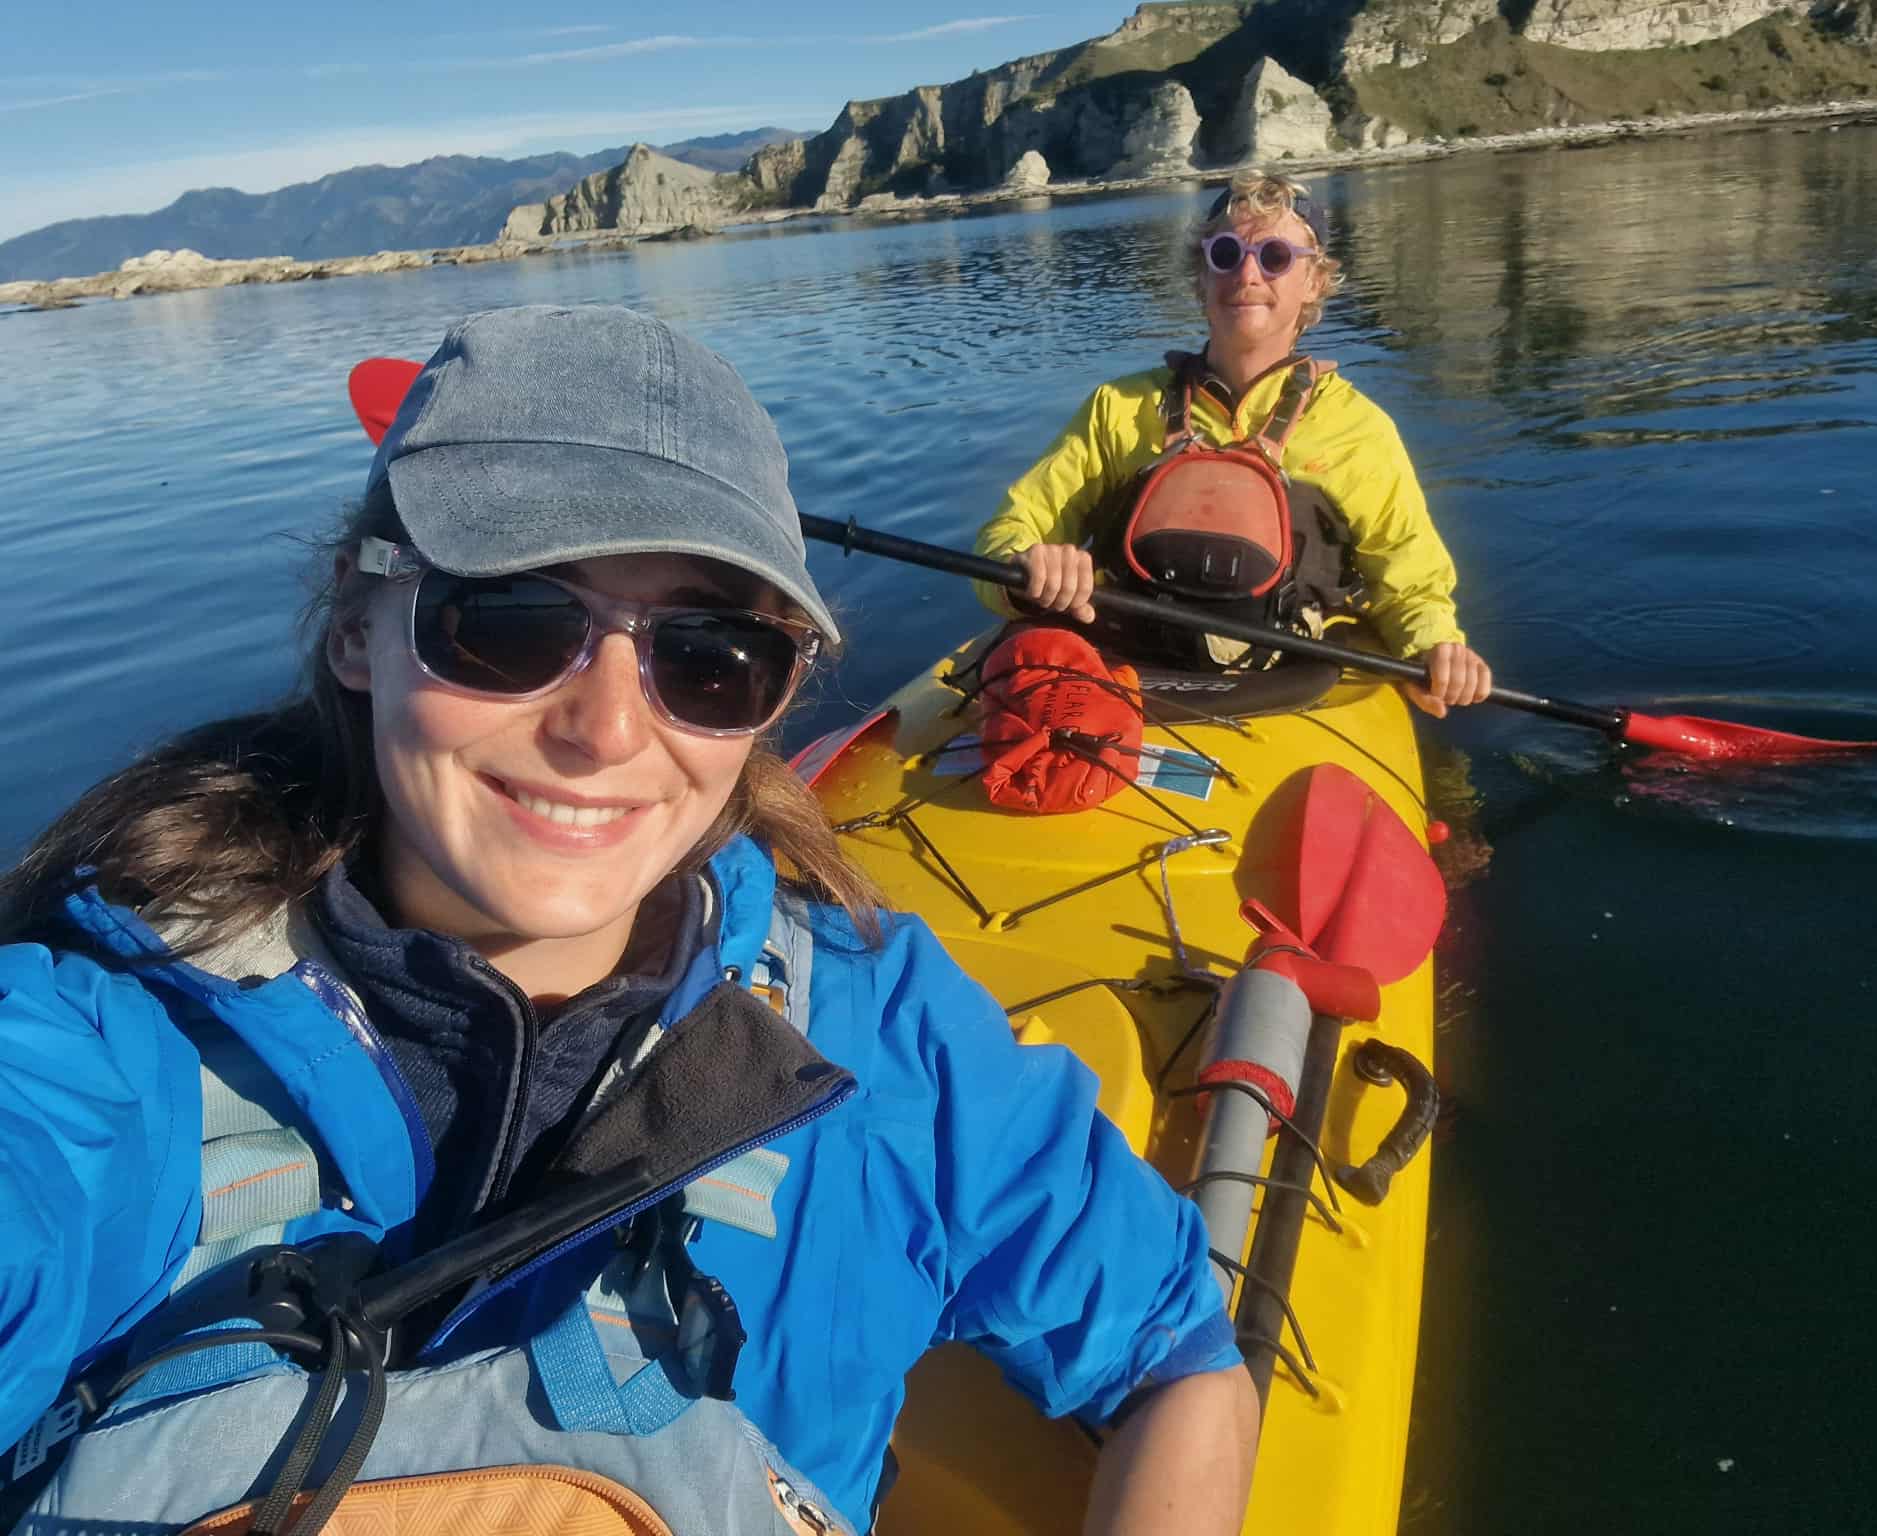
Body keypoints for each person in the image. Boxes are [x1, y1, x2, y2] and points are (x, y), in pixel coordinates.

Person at [0, 305, 1257, 1534]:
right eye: (506, 620)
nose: (604, 730)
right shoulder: (101, 1056)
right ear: (356, 623)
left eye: (710, 659)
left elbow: (1176, 1351)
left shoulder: (885, 1039)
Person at [974, 169, 1493, 717]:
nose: (1247, 274)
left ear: (1314, 282)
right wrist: (1028, 567)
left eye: (1274, 257)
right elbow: (1005, 535)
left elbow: (1409, 576)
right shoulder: (1118, 409)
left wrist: (1434, 645)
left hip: (1287, 687)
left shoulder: (1359, 431)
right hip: (1114, 674)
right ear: (1202, 275)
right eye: (1226, 253)